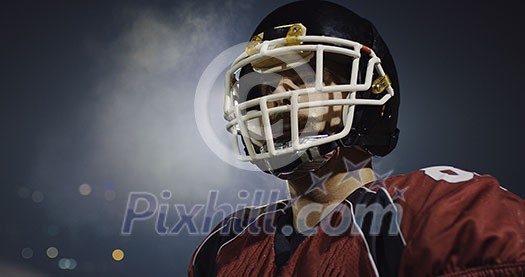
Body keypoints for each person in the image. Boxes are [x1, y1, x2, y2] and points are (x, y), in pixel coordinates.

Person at [188, 1, 525, 276]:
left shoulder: (433, 212)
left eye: (304, 73)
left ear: (370, 92)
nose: (277, 94)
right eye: (264, 83)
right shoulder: (227, 246)